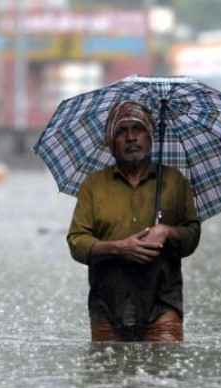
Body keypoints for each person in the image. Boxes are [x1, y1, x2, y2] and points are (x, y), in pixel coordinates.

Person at [67, 100, 201, 343]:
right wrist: (119, 248)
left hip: (162, 302)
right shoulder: (93, 186)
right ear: (111, 143)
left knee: (165, 364)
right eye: (121, 131)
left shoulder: (174, 182)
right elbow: (77, 242)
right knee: (107, 365)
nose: (131, 138)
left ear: (150, 137)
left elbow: (192, 236)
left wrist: (167, 231)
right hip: (108, 303)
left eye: (138, 129)